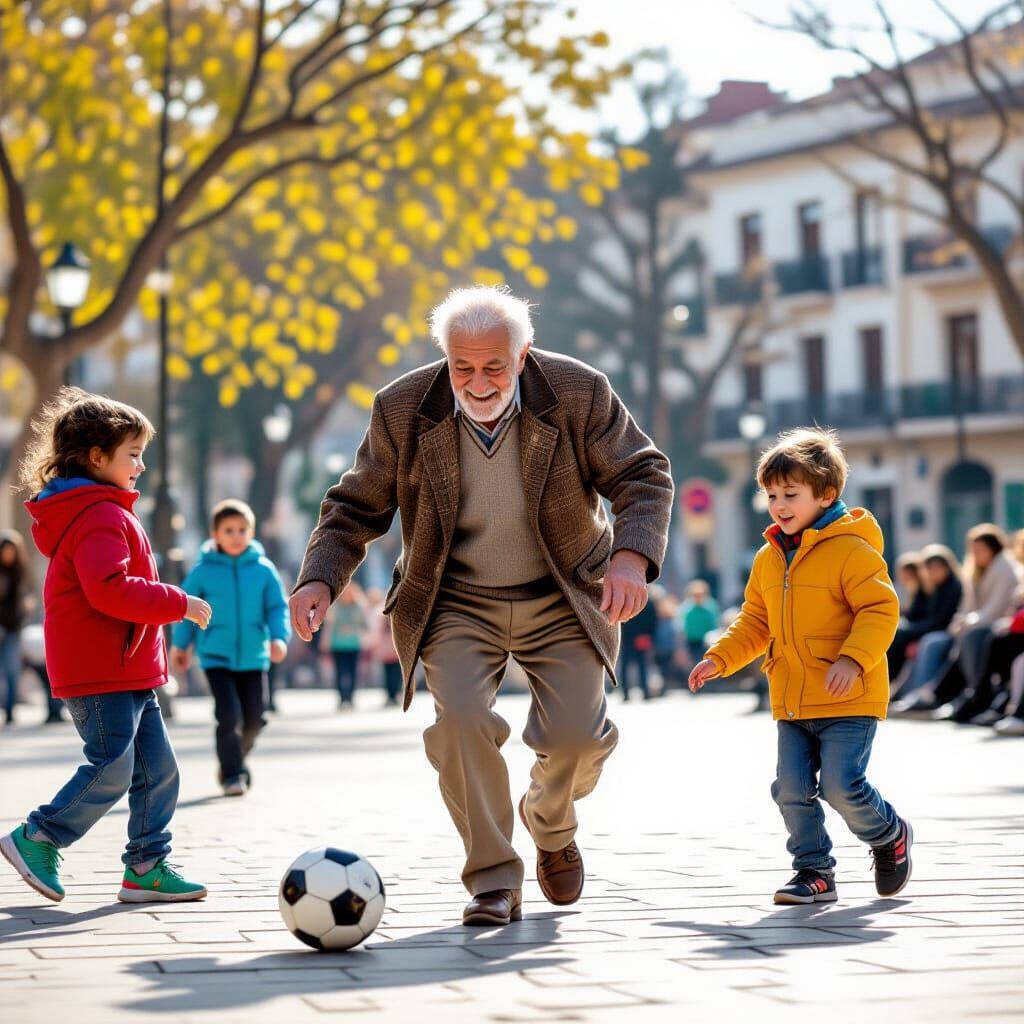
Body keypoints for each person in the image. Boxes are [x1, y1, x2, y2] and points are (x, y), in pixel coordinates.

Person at [289, 286, 673, 927]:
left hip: (562, 592)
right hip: (454, 597)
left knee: (579, 737)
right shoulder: (404, 407)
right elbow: (356, 506)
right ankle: (493, 878)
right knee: (461, 723)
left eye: (494, 366)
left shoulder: (577, 392)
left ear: (524, 355)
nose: (478, 381)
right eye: (462, 367)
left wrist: (631, 559)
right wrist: (318, 581)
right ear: (444, 359)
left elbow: (642, 473)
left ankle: (550, 823)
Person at [0, 387, 209, 904]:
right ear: (96, 457)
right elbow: (109, 589)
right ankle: (40, 835)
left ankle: (146, 865)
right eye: (132, 454)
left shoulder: (108, 510)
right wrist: (177, 602)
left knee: (158, 770)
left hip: (130, 670)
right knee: (113, 766)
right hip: (100, 672)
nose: (140, 465)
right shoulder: (97, 515)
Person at [689, 427, 911, 906]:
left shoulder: (852, 549)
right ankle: (814, 872)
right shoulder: (769, 558)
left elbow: (880, 609)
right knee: (790, 789)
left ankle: (889, 833)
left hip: (847, 697)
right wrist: (719, 658)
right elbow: (755, 621)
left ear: (826, 494)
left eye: (791, 494)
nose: (779, 504)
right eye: (771, 495)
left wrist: (854, 659)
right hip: (791, 699)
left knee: (841, 785)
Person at [170, 499, 290, 797]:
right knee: (228, 716)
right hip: (216, 657)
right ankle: (233, 774)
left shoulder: (264, 570)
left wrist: (279, 638)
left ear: (251, 533)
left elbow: (277, 607)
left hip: (254, 655)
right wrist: (180, 645)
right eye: (229, 530)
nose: (236, 536)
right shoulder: (202, 572)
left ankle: (234, 759)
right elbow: (185, 609)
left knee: (255, 718)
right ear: (215, 534)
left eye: (242, 530)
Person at [931, 524, 1022, 721]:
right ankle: (962, 694)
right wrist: (961, 620)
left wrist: (968, 622)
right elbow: (967, 605)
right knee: (959, 638)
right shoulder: (977, 571)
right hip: (989, 622)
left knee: (973, 637)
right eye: (974, 550)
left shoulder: (1004, 569)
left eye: (980, 550)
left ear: (994, 548)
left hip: (997, 622)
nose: (976, 554)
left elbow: (995, 608)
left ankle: (975, 695)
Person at [889, 545, 963, 712]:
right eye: (930, 569)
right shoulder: (928, 587)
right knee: (896, 634)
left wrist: (911, 629)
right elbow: (915, 613)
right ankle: (890, 686)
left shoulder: (953, 586)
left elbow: (940, 620)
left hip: (944, 630)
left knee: (926, 642)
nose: (934, 572)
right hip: (929, 628)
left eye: (937, 568)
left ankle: (921, 692)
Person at [0, 529, 34, 725]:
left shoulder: (21, 571)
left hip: (14, 629)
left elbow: (28, 596)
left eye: (11, 550)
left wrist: (27, 604)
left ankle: (10, 711)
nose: (8, 554)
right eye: (5, 550)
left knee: (12, 670)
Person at [325, 583, 369, 709]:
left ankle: (350, 697)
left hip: (353, 644)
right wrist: (326, 642)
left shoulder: (358, 606)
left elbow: (363, 625)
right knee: (339, 672)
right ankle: (341, 697)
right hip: (337, 644)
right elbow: (329, 624)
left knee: (352, 672)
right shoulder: (335, 606)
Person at [365, 587, 403, 707]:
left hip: (385, 646)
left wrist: (374, 644)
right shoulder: (399, 608)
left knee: (388, 672)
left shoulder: (379, 610)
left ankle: (391, 695)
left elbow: (375, 630)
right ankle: (395, 694)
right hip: (396, 645)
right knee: (397, 672)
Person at [618, 589, 658, 701]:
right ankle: (644, 692)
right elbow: (653, 622)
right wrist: (650, 636)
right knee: (641, 665)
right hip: (639, 637)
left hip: (629, 637)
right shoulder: (648, 602)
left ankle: (626, 693)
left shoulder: (625, 599)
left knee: (628, 666)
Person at [678, 579, 720, 668]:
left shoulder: (710, 607)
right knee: (695, 662)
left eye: (700, 595)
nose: (698, 597)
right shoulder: (687, 608)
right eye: (695, 595)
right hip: (692, 640)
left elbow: (714, 623)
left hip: (706, 640)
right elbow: (682, 625)